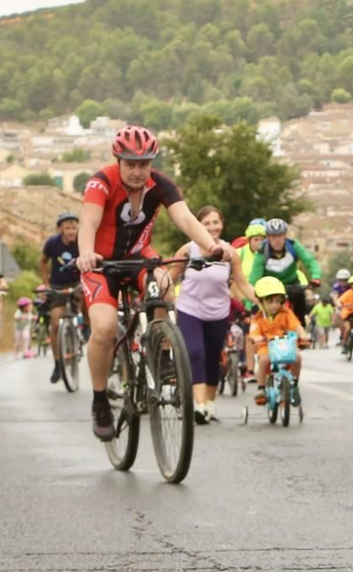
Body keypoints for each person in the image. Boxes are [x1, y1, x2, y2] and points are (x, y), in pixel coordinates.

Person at [75, 126, 235, 441]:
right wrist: (85, 255)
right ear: (117, 160)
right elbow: (89, 222)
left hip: (138, 257)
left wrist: (211, 246)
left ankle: (160, 353)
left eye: (144, 164)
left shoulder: (160, 185)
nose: (137, 171)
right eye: (130, 164)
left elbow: (187, 219)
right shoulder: (101, 182)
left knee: (163, 281)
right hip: (99, 262)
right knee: (105, 328)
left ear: (152, 162)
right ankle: (99, 400)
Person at [171, 204, 257, 424]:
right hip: (189, 310)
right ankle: (199, 405)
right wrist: (153, 292)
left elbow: (243, 285)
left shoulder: (230, 253)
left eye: (215, 222)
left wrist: (262, 301)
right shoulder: (187, 250)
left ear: (222, 224)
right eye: (206, 223)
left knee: (212, 359)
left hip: (218, 313)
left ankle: (209, 404)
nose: (212, 227)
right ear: (197, 226)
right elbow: (170, 277)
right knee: (195, 353)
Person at [248, 218, 324, 321]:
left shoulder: (293, 246)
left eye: (280, 235)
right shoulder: (261, 252)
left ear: (285, 235)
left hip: (292, 284)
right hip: (270, 287)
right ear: (268, 237)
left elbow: (310, 261)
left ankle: (300, 331)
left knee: (300, 309)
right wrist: (251, 300)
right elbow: (254, 277)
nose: (277, 240)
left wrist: (316, 276)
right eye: (273, 236)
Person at [247, 276, 310, 394]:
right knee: (264, 360)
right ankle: (261, 389)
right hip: (266, 345)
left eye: (278, 301)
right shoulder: (259, 317)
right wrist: (256, 337)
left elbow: (296, 325)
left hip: (285, 344)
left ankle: (294, 384)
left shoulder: (286, 313)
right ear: (261, 302)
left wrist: (303, 334)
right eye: (270, 302)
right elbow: (253, 331)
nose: (274, 305)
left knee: (297, 358)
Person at [39, 210, 82, 383]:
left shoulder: (82, 241)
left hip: (79, 282)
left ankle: (85, 327)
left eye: (74, 227)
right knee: (55, 323)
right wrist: (46, 284)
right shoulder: (52, 243)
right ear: (60, 230)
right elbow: (42, 261)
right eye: (67, 228)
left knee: (87, 297)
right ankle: (58, 363)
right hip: (58, 285)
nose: (71, 231)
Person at [336, 270, 353, 352]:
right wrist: (343, 305)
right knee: (347, 328)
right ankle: (344, 343)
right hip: (347, 314)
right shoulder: (348, 293)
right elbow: (340, 301)